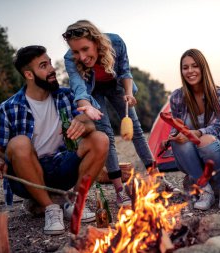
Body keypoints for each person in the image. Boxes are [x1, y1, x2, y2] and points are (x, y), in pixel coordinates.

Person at [0, 45, 109, 235]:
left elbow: (91, 125)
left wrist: (85, 125)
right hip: (26, 179)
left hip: (63, 168)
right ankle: (49, 208)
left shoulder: (68, 96)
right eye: (44, 66)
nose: (52, 69)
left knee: (100, 139)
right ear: (29, 74)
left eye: (50, 63)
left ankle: (75, 202)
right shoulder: (8, 107)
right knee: (19, 142)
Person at [62, 20, 177, 207]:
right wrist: (86, 106)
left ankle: (159, 179)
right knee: (107, 134)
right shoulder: (70, 59)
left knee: (137, 130)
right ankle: (119, 191)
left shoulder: (115, 43)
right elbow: (78, 87)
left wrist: (129, 94)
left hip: (116, 85)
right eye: (76, 52)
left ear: (96, 42)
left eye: (85, 49)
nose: (81, 57)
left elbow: (125, 71)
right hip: (94, 91)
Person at [167, 49, 220, 210]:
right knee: (178, 143)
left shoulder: (218, 94)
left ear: (203, 68)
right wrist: (174, 136)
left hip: (215, 151)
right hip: (190, 157)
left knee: (205, 140)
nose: (190, 71)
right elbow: (175, 126)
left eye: (194, 66)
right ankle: (205, 190)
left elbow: (215, 127)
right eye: (185, 67)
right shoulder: (177, 97)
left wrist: (193, 134)